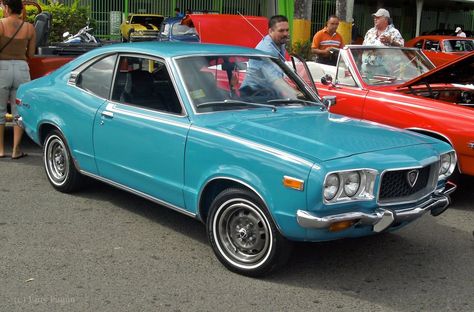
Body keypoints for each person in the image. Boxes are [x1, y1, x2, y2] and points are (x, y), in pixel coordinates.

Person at [0, 0, 35, 159]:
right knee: (18, 112)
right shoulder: (29, 27)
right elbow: (32, 54)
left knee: (0, 111)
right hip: (22, 68)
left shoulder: (0, 24)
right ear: (21, 9)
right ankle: (16, 150)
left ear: (7, 7)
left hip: (2, 68)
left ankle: (0, 150)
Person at [239, 15, 290, 97]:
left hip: (268, 91)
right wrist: (295, 93)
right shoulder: (267, 50)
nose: (285, 34)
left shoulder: (279, 42)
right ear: (270, 31)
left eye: (287, 30)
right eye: (281, 31)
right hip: (253, 94)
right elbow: (275, 80)